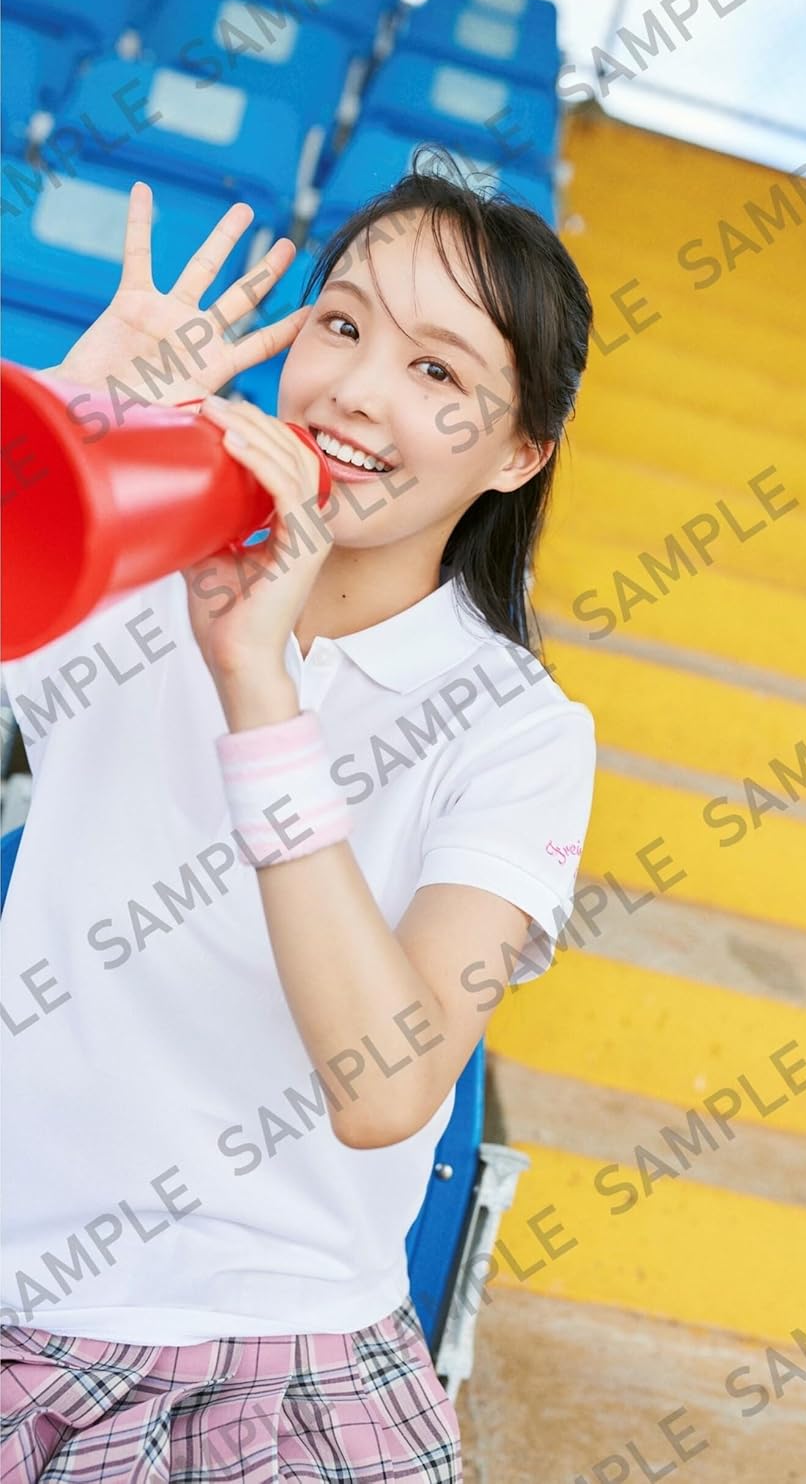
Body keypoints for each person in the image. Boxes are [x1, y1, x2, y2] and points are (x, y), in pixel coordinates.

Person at [0, 148, 597, 1481]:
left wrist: (258, 686)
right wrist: (69, 426)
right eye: (342, 325)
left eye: (438, 372)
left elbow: (390, 1087)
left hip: (280, 1363)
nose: (356, 390)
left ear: (518, 454)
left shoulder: (522, 734)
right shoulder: (133, 558)